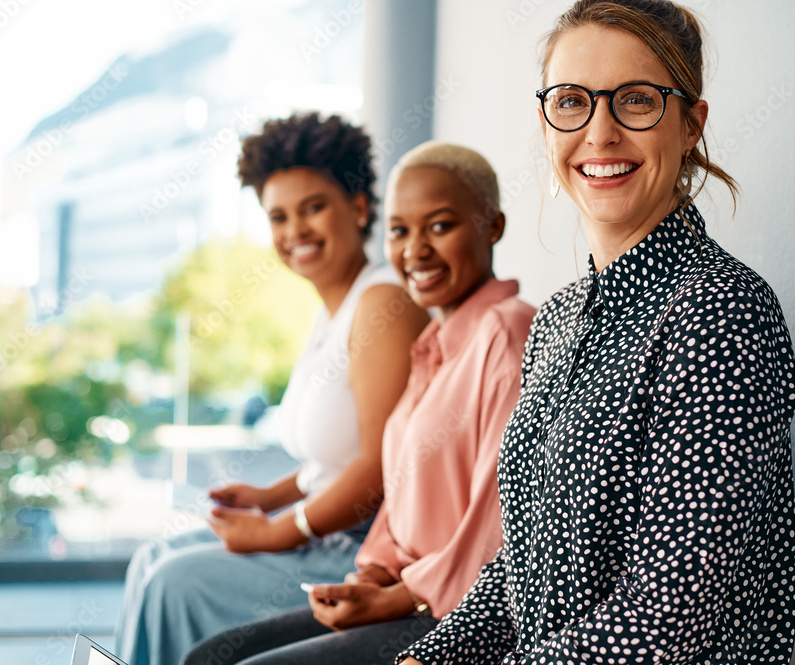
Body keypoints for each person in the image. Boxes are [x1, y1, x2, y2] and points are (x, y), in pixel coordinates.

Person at [401, 1, 795, 664]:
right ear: (546, 124)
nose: (601, 131)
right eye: (572, 102)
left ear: (691, 124)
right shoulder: (556, 319)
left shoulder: (722, 314)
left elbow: (666, 620)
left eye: (637, 101)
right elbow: (520, 567)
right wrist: (428, 657)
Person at [182, 141, 536, 665]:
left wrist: (398, 593)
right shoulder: (434, 345)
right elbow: (399, 487)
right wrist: (371, 573)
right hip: (399, 590)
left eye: (439, 226)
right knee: (208, 657)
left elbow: (499, 525)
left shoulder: (506, 335)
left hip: (455, 614)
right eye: (400, 231)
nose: (415, 250)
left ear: (493, 227)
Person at [115, 113, 429, 665]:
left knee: (172, 581)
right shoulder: (333, 310)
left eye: (313, 208)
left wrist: (275, 533)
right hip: (325, 531)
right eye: (278, 216)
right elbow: (337, 456)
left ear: (358, 208)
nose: (294, 231)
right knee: (153, 558)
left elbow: (379, 469)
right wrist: (270, 499)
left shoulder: (383, 304)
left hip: (363, 553)